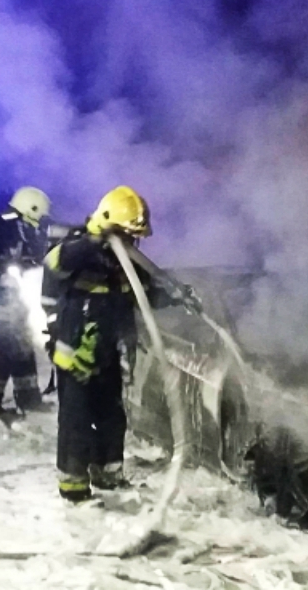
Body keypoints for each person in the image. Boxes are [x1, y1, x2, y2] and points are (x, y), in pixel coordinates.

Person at [43, 186, 198, 502]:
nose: (133, 242)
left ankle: (109, 474)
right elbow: (53, 263)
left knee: (112, 417)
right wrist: (93, 241)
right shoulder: (78, 248)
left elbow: (144, 294)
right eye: (127, 235)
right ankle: (73, 487)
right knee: (76, 421)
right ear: (109, 225)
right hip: (75, 354)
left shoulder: (124, 259)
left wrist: (176, 297)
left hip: (108, 352)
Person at [0, 186, 52, 419]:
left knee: (23, 348)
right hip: (2, 303)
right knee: (0, 354)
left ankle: (28, 398)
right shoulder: (2, 227)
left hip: (21, 301)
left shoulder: (32, 230)